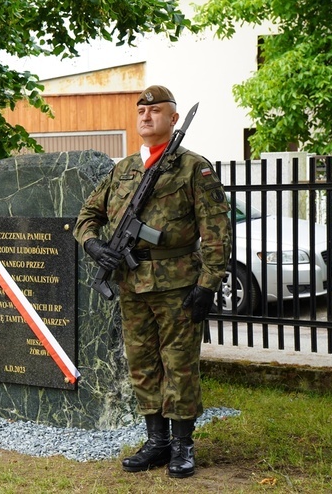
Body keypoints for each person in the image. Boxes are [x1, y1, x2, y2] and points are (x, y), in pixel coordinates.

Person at [74, 85, 231, 478]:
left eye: (156, 110)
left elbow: (216, 231)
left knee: (179, 365)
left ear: (173, 118)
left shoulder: (194, 167)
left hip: (178, 283)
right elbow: (86, 217)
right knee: (142, 365)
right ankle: (156, 442)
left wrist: (208, 284)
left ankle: (182, 446)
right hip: (131, 282)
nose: (146, 116)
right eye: (141, 110)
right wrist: (95, 247)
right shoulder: (123, 169)